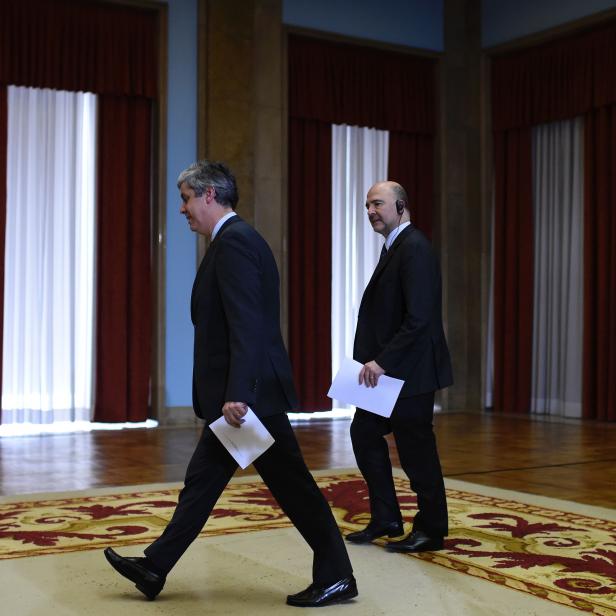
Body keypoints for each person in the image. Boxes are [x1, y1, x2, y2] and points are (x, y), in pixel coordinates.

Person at [104, 161, 356, 608]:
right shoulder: (230, 242)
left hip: (250, 396)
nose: (181, 209)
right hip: (243, 395)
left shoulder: (235, 243)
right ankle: (155, 566)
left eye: (185, 198)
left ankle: (337, 576)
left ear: (209, 195)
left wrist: (238, 392)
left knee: (293, 487)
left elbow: (248, 325)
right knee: (202, 483)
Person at [345, 181, 453, 553]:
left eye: (378, 204)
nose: (371, 211)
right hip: (389, 373)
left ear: (401, 206)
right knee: (363, 433)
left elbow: (420, 319)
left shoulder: (415, 247)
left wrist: (382, 361)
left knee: (416, 450)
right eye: (367, 206)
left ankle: (432, 529)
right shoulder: (396, 246)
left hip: (412, 371)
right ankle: (386, 517)